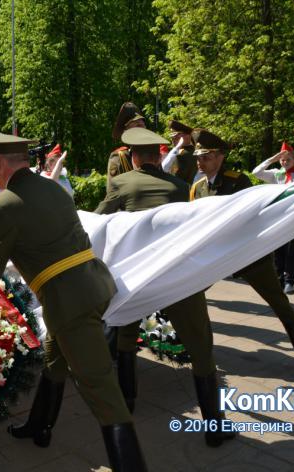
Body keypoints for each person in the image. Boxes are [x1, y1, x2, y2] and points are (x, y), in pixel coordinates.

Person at [0, 127, 147, 471]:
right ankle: (39, 427)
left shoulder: (2, 205)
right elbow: (59, 239)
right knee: (53, 361)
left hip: (70, 304)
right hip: (92, 286)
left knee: (103, 394)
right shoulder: (52, 188)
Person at [95, 128, 236, 448]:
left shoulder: (120, 183)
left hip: (135, 280)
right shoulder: (182, 186)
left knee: (126, 337)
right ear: (159, 157)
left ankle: (128, 402)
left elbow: (100, 223)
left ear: (132, 157)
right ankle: (214, 426)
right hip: (176, 278)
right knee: (201, 347)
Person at [190, 129, 294, 381]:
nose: (199, 162)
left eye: (205, 157)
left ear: (220, 157)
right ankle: (197, 351)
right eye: (198, 157)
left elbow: (248, 218)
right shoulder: (197, 188)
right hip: (215, 257)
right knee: (187, 296)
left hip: (248, 257)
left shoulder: (238, 182)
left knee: (281, 305)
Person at [252, 141, 294, 294]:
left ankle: (289, 281)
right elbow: (255, 172)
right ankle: (279, 281)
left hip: (293, 217)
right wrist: (272, 159)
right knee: (278, 250)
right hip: (276, 217)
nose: (285, 162)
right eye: (282, 159)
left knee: (291, 250)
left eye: (288, 159)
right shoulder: (276, 173)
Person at [106, 102, 146, 193]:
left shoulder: (153, 153)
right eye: (137, 125)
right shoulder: (120, 157)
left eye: (143, 124)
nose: (142, 129)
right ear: (126, 132)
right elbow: (113, 193)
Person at [161, 120, 198, 185]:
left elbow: (166, 171)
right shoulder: (195, 152)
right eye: (171, 134)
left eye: (176, 134)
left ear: (187, 135)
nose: (173, 137)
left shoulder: (181, 155)